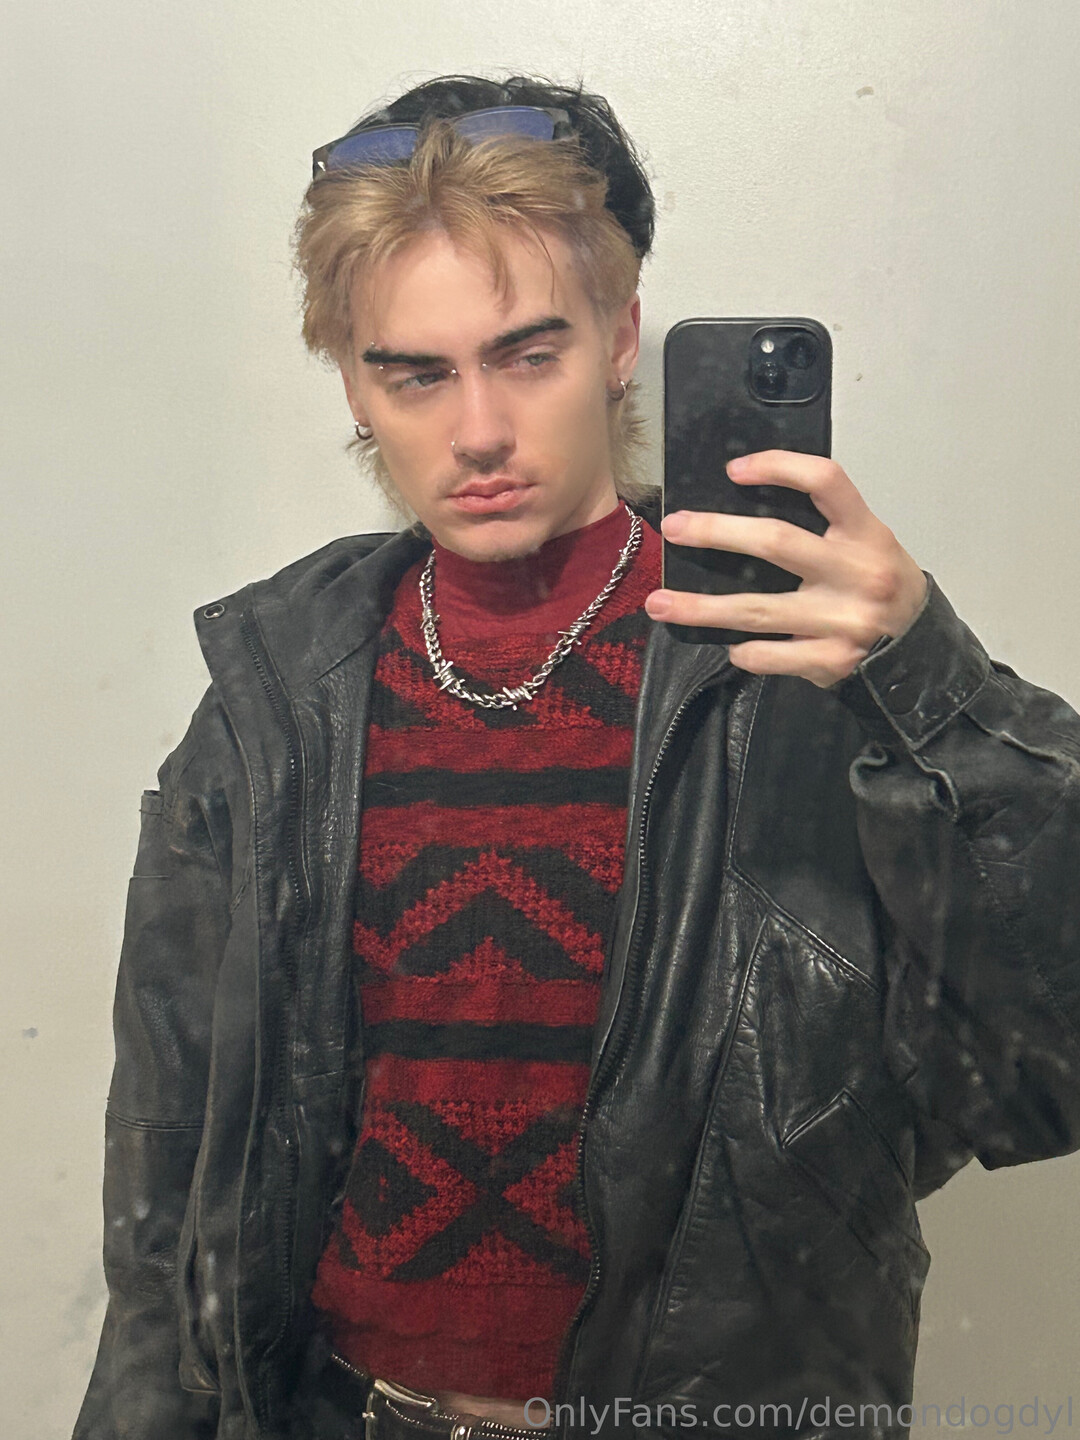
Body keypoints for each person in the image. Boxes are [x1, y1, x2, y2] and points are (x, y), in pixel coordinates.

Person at [74, 74, 1080, 1440]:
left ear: (621, 339)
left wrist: (928, 686)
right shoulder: (279, 698)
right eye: (415, 373)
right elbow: (171, 1168)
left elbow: (1042, 1072)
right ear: (354, 381)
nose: (478, 432)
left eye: (528, 354)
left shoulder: (806, 666)